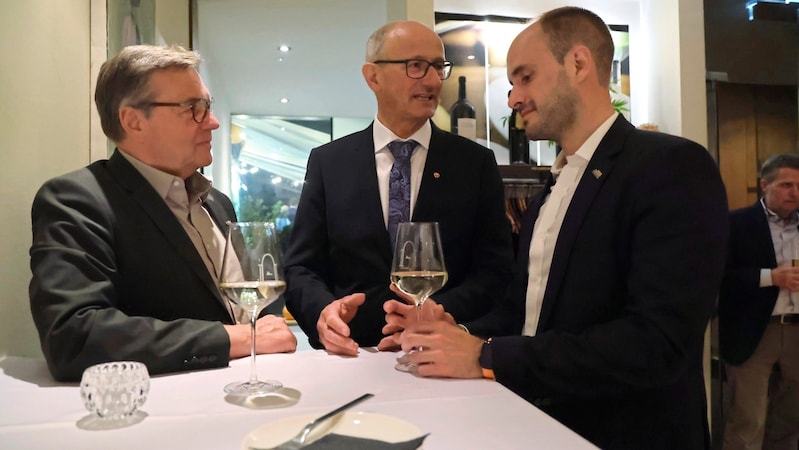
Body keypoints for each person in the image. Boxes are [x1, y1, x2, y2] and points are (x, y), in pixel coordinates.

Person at [391, 7, 729, 449]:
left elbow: (656, 343)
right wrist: (457, 326)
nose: (513, 98)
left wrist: (487, 355)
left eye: (525, 77)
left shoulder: (671, 166)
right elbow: (525, 315)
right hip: (536, 429)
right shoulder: (551, 189)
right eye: (512, 83)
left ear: (579, 63)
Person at [29, 44, 296, 382]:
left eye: (208, 106)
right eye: (193, 108)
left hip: (250, 394)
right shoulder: (77, 200)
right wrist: (236, 338)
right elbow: (73, 334)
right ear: (133, 120)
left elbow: (254, 299)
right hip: (156, 415)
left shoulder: (217, 202)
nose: (212, 122)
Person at [283, 21, 513, 356]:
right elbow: (301, 267)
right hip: (351, 357)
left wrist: (443, 314)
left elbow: (496, 270)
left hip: (441, 357)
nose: (433, 80)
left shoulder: (474, 164)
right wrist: (322, 313)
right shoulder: (329, 163)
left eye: (438, 67)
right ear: (373, 76)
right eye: (416, 66)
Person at [719, 153, 799, 450]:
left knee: (792, 418)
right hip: (754, 331)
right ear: (765, 185)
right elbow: (719, 276)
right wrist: (771, 277)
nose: (795, 193)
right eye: (786, 185)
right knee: (748, 419)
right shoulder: (736, 222)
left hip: (797, 332)